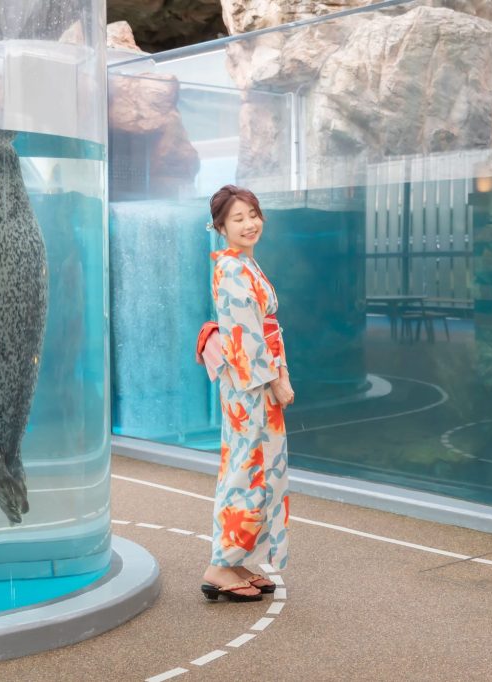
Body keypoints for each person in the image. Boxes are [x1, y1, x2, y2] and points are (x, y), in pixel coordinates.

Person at [201, 185, 295, 602]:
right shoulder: (234, 270)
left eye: (253, 214)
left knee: (254, 467)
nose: (249, 223)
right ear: (220, 226)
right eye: (237, 218)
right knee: (247, 470)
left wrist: (279, 371)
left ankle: (235, 559)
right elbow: (247, 338)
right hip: (251, 386)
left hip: (253, 384)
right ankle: (220, 567)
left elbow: (261, 330)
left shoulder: (243, 266)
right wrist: (277, 379)